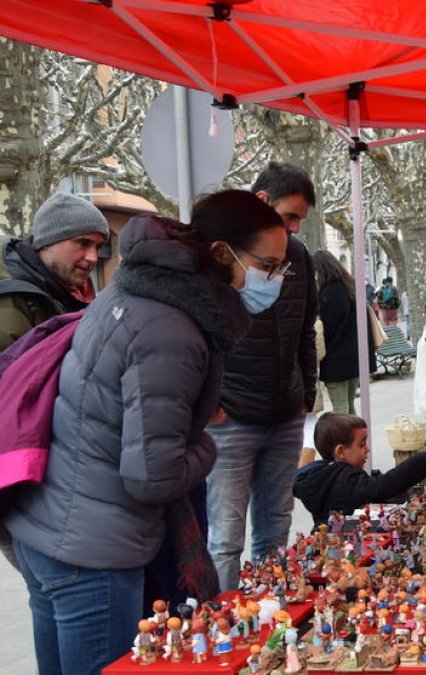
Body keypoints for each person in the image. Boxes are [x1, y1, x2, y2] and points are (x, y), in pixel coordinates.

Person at [4, 190, 286, 675]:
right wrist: (204, 443)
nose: (275, 279)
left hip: (52, 525)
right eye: (268, 265)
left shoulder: (140, 288)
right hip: (90, 545)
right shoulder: (171, 328)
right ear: (221, 254)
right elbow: (152, 475)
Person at [206, 162, 319, 592]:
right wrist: (211, 403)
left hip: (285, 412)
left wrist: (305, 392)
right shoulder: (221, 254)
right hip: (230, 417)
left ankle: (267, 619)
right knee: (225, 540)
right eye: (288, 215)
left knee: (275, 530)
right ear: (260, 202)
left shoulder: (300, 258)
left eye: (298, 221)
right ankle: (223, 628)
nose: (292, 228)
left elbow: (307, 329)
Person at [0, 192, 109, 349]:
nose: (93, 257)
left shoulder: (69, 291)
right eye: (83, 243)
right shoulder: (10, 302)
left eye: (98, 247)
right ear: (47, 242)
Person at [293, 412, 426, 525]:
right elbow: (380, 488)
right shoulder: (344, 480)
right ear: (340, 452)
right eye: (361, 445)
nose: (367, 449)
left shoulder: (326, 474)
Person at [313, 251, 361, 414]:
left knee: (340, 410)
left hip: (335, 361)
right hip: (354, 358)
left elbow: (327, 328)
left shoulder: (328, 294)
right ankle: (357, 438)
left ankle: (346, 439)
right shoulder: (351, 287)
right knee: (350, 407)